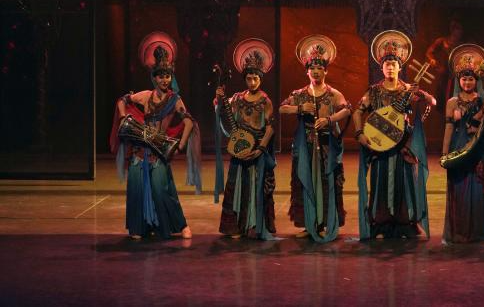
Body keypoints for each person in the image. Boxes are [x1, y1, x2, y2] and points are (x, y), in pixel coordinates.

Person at [110, 32, 200, 240]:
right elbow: (122, 100)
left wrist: (180, 144)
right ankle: (139, 228)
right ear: (154, 77)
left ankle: (180, 225)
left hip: (158, 151)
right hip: (140, 150)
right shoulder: (145, 96)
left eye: (167, 76)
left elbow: (188, 121)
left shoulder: (175, 100)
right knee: (137, 190)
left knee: (162, 190)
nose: (164, 80)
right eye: (160, 76)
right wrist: (123, 117)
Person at [354, 30, 436, 240]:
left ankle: (407, 222)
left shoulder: (408, 89)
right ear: (381, 67)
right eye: (387, 64)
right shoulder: (374, 91)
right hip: (380, 143)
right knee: (380, 181)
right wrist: (360, 133)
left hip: (404, 144)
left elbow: (432, 102)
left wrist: (421, 94)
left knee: (406, 181)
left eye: (394, 64)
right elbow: (357, 112)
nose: (390, 67)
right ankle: (380, 222)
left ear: (400, 67)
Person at [279, 35, 350, 242]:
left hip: (327, 147)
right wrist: (299, 108)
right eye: (312, 68)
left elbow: (347, 110)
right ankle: (308, 224)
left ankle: (325, 223)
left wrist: (329, 120)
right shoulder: (299, 94)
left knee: (327, 183)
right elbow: (282, 108)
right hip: (305, 147)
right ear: (307, 71)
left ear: (326, 71)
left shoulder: (333, 94)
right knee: (305, 182)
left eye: (320, 68)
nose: (316, 71)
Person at [440, 44, 484, 244]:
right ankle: (458, 232)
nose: (467, 82)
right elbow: (448, 129)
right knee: (458, 190)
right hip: (458, 148)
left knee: (477, 191)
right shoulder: (452, 102)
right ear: (458, 80)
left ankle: (477, 232)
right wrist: (444, 154)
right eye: (464, 79)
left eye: (471, 79)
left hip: (478, 149)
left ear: (477, 80)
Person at [213, 38, 276, 240]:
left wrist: (260, 149)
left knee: (256, 188)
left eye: (255, 79)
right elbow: (222, 112)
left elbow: (270, 128)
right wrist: (220, 99)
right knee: (237, 187)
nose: (252, 82)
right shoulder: (238, 98)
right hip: (239, 147)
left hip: (256, 148)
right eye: (249, 79)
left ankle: (255, 225)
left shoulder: (265, 101)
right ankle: (236, 227)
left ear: (260, 78)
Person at [425, 19, 463, 102]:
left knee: (453, 97)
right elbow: (429, 52)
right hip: (442, 73)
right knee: (440, 95)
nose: (460, 32)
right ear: (453, 30)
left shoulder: (461, 45)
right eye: (458, 29)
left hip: (454, 75)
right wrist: (432, 60)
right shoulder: (442, 41)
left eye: (461, 30)